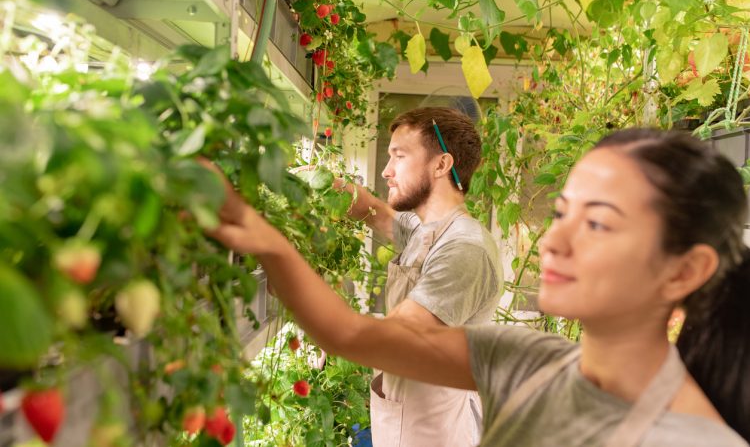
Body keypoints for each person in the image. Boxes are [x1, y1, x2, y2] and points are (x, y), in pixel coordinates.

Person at [202, 127, 750, 446]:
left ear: (683, 271)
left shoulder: (690, 440)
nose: (554, 242)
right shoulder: (531, 360)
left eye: (599, 223)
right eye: (561, 213)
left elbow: (382, 333)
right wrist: (265, 234)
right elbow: (350, 334)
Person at [301, 107, 503, 446]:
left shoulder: (464, 249)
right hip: (406, 422)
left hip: (440, 432)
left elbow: (397, 336)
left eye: (399, 157)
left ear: (441, 165)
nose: (386, 170)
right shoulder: (425, 231)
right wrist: (311, 182)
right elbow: (373, 210)